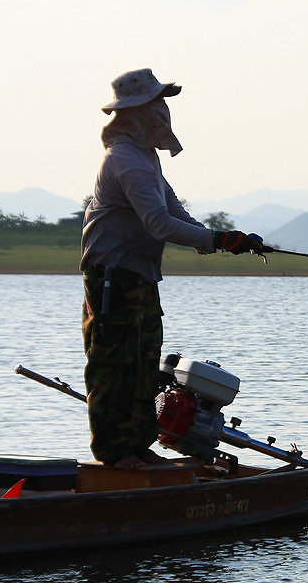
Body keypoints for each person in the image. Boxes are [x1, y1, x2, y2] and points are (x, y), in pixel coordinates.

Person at [80, 68, 263, 470]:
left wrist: (218, 238)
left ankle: (138, 446)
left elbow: (173, 210)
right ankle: (114, 454)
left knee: (145, 362)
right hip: (113, 277)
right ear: (135, 111)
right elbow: (158, 224)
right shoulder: (124, 160)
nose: (162, 111)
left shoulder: (144, 158)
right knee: (115, 363)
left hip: (140, 276)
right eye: (155, 104)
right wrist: (212, 240)